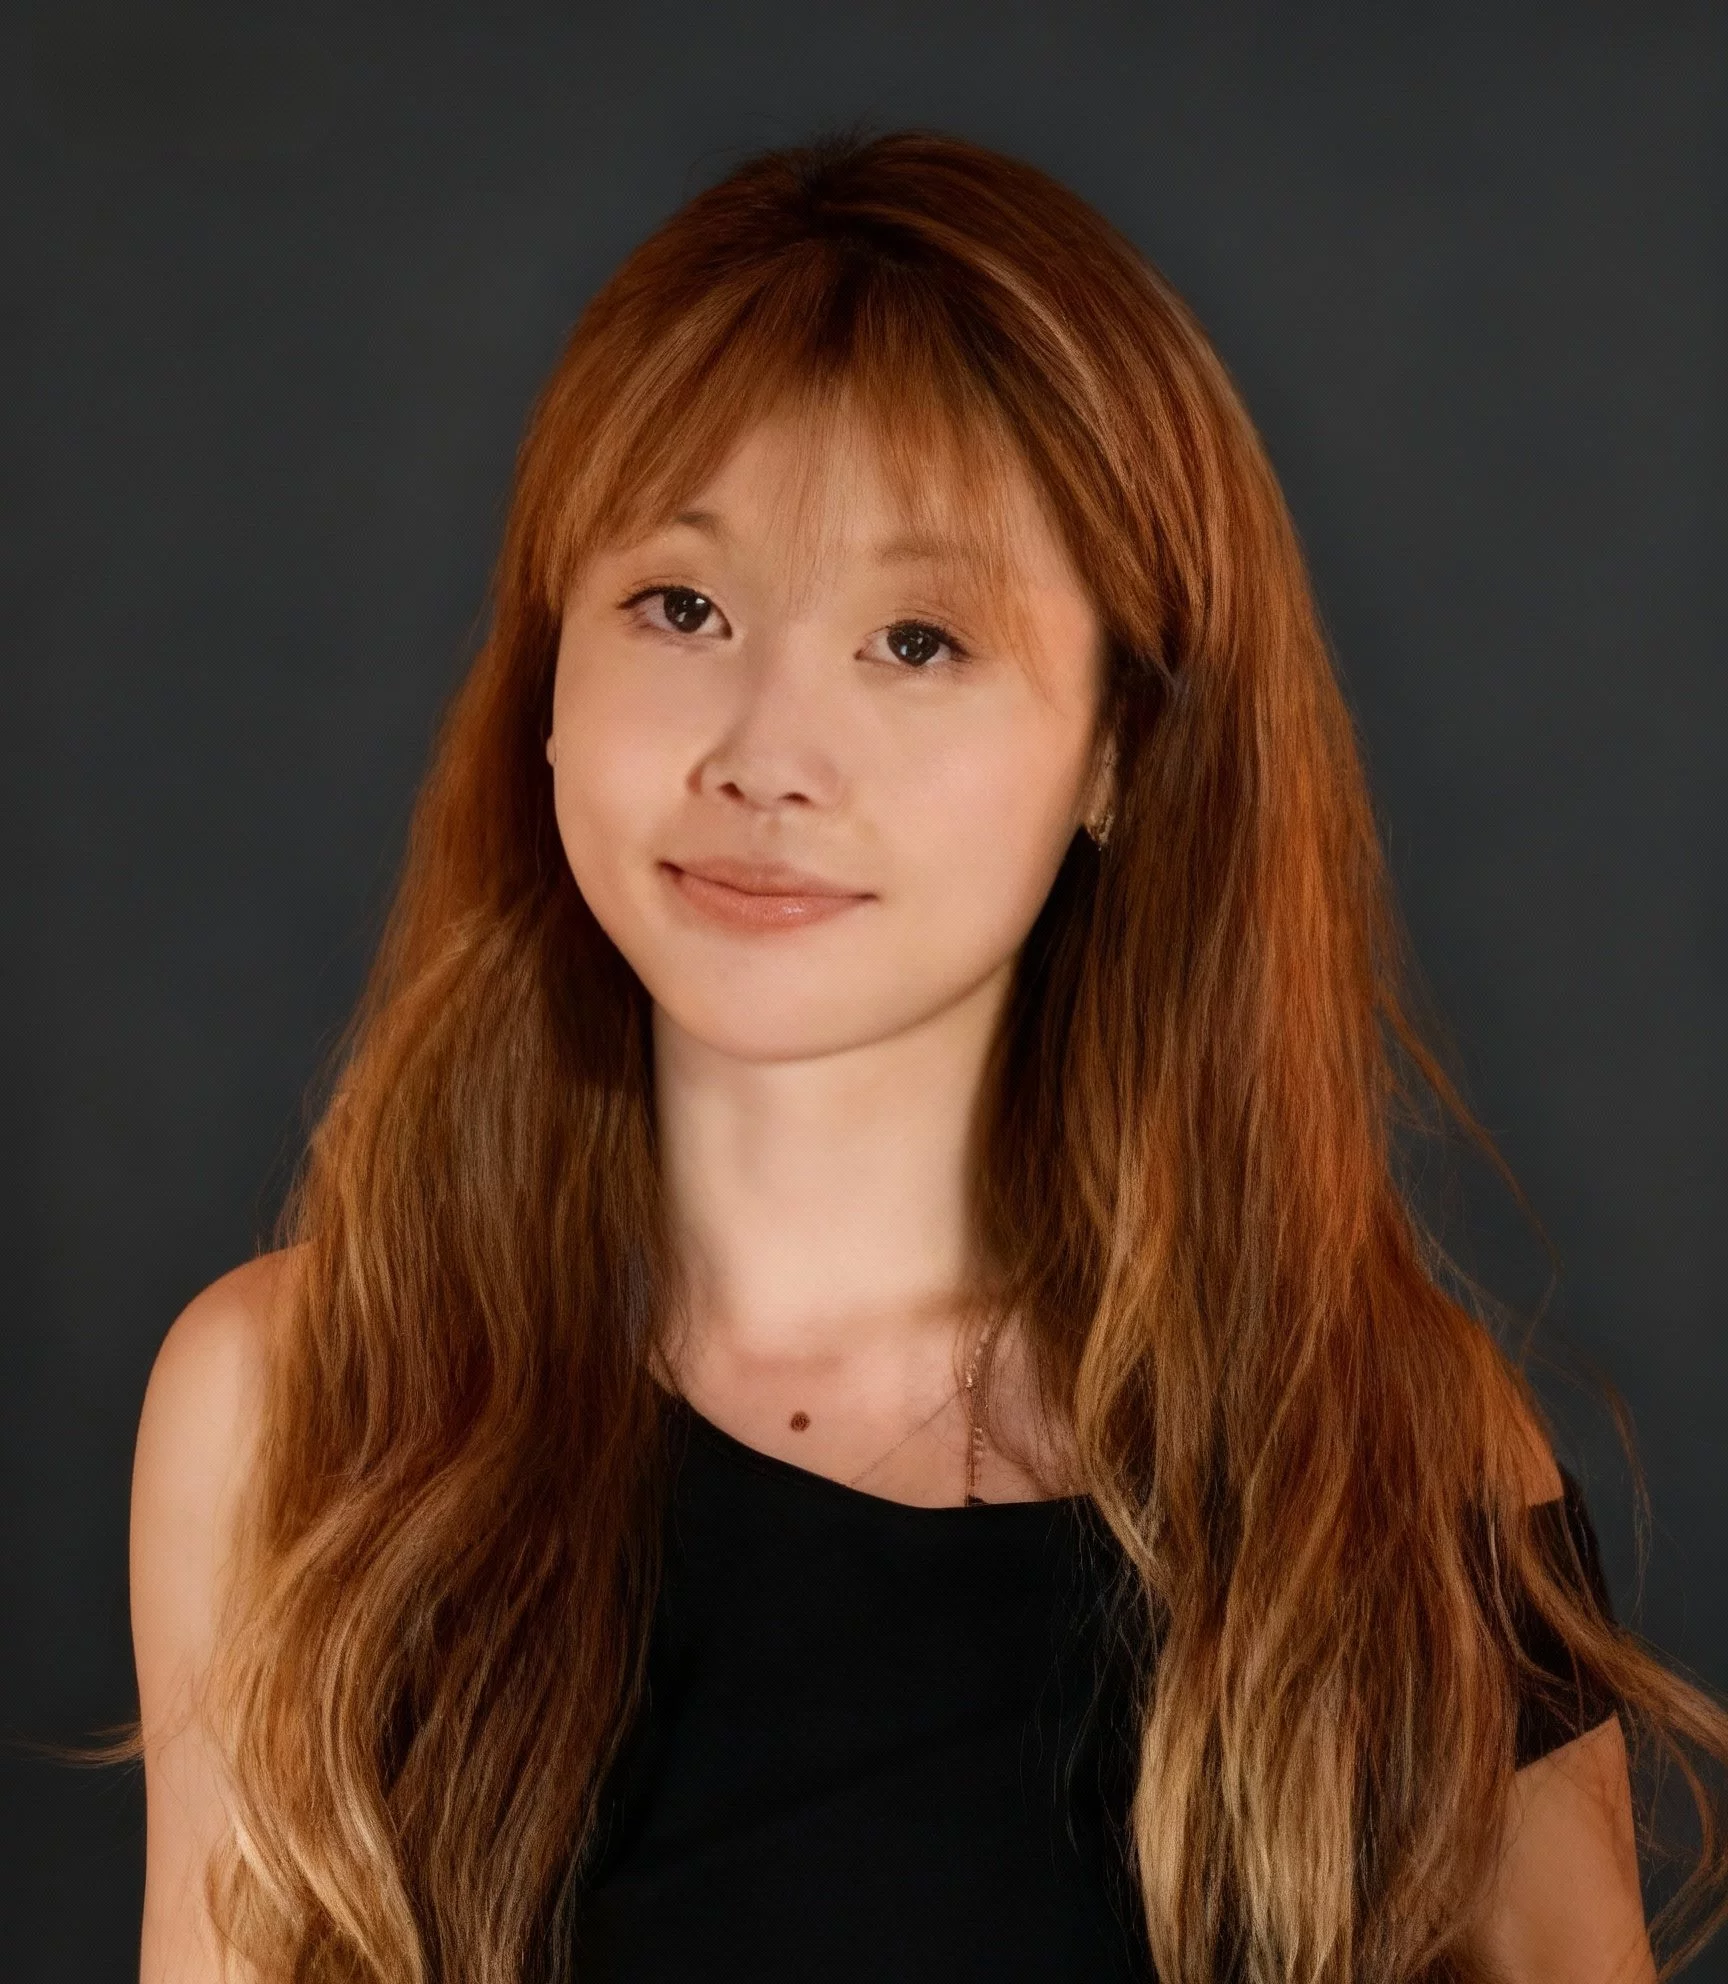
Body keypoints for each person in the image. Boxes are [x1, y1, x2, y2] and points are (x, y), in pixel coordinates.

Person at [128, 131, 1728, 1984]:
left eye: (915, 638)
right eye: (682, 607)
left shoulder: (1392, 1449)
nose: (765, 758)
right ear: (545, 672)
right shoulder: (294, 1409)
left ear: (1119, 747)